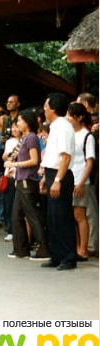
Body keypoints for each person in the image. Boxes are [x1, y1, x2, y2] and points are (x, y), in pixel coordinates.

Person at [39, 93, 77, 271]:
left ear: (53, 108)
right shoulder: (54, 126)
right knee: (53, 218)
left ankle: (68, 257)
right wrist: (45, 178)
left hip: (60, 175)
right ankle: (56, 255)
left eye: (46, 106)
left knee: (62, 218)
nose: (44, 109)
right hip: (51, 173)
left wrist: (57, 180)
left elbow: (65, 157)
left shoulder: (63, 127)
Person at [6, 110, 49, 261]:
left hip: (27, 181)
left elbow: (34, 160)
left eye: (20, 121)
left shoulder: (31, 137)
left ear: (27, 122)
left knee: (32, 215)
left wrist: (15, 164)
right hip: (21, 180)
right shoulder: (25, 137)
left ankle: (44, 249)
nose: (17, 124)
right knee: (16, 216)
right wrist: (15, 168)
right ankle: (21, 249)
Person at [66, 103, 97, 262]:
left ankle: (83, 249)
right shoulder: (69, 134)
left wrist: (81, 183)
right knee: (72, 215)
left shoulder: (87, 136)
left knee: (80, 215)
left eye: (70, 115)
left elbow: (90, 162)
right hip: (70, 179)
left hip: (81, 180)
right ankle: (77, 246)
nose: (67, 118)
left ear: (79, 117)